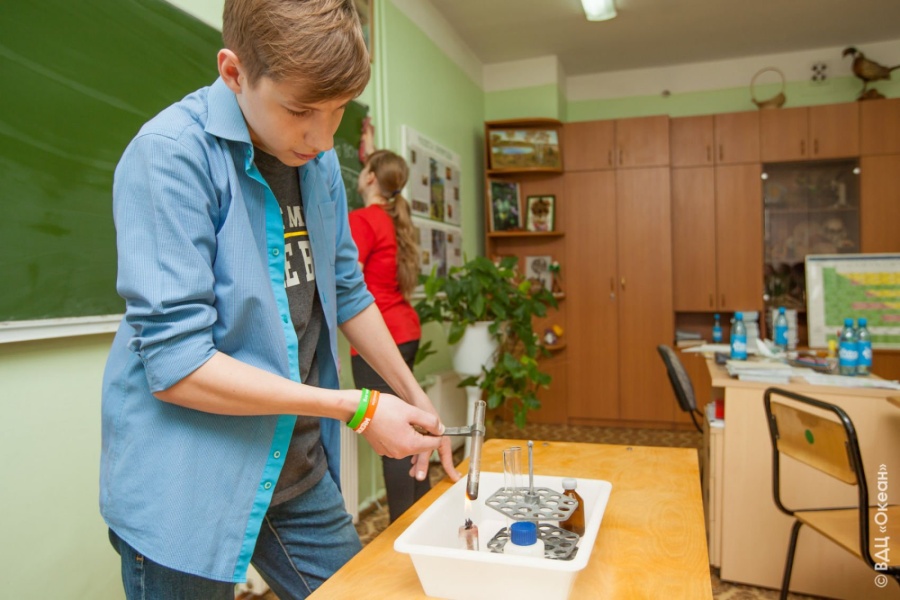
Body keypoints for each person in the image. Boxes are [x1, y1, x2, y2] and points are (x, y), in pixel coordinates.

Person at [99, 1, 459, 599]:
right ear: (234, 72)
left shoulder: (319, 163)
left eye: (339, 111)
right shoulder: (170, 153)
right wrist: (357, 408)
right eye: (300, 111)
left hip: (292, 464)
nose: (323, 138)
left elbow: (347, 291)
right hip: (189, 483)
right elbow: (177, 365)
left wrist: (414, 397)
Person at [349, 149, 429, 522]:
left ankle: (403, 532)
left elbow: (348, 282)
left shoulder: (363, 220)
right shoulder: (394, 219)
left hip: (380, 339)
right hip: (405, 330)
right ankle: (423, 521)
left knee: (392, 441)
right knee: (408, 432)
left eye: (364, 167)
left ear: (369, 177)